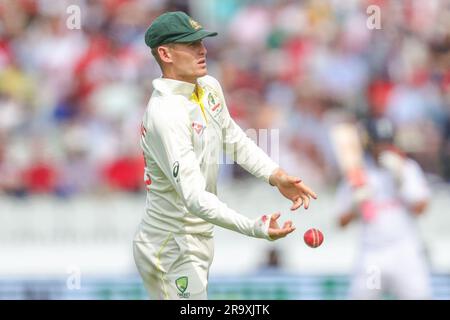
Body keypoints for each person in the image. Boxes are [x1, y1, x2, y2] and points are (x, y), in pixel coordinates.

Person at [133, 11, 317, 300]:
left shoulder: (207, 87)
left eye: (201, 43)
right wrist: (253, 227)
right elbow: (194, 199)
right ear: (165, 54)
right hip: (170, 244)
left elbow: (232, 138)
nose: (202, 50)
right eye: (191, 45)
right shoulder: (165, 113)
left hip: (196, 237)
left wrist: (275, 175)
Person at [334, 117, 432, 299]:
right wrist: (356, 205)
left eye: (387, 143)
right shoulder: (358, 174)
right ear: (369, 144)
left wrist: (402, 182)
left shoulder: (407, 168)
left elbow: (421, 208)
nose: (383, 147)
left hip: (405, 253)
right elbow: (341, 221)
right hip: (373, 256)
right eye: (379, 143)